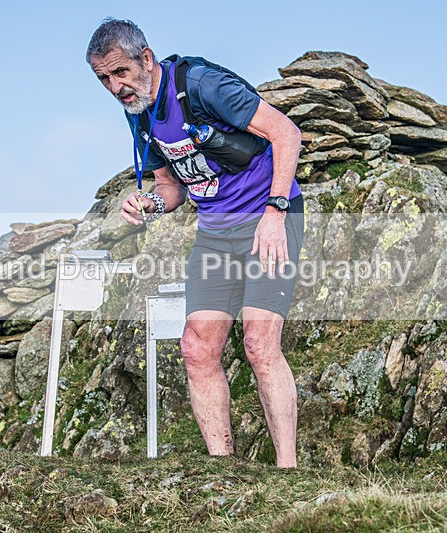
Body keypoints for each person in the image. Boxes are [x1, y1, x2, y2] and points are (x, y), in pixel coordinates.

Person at [87, 19, 304, 467]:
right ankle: (223, 466)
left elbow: (286, 133)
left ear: (146, 59)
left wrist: (275, 212)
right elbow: (171, 186)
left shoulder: (202, 86)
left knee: (260, 342)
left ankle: (288, 470)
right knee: (196, 346)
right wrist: (150, 203)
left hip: (268, 220)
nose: (115, 87)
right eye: (103, 79)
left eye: (121, 72)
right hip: (215, 232)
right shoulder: (139, 112)